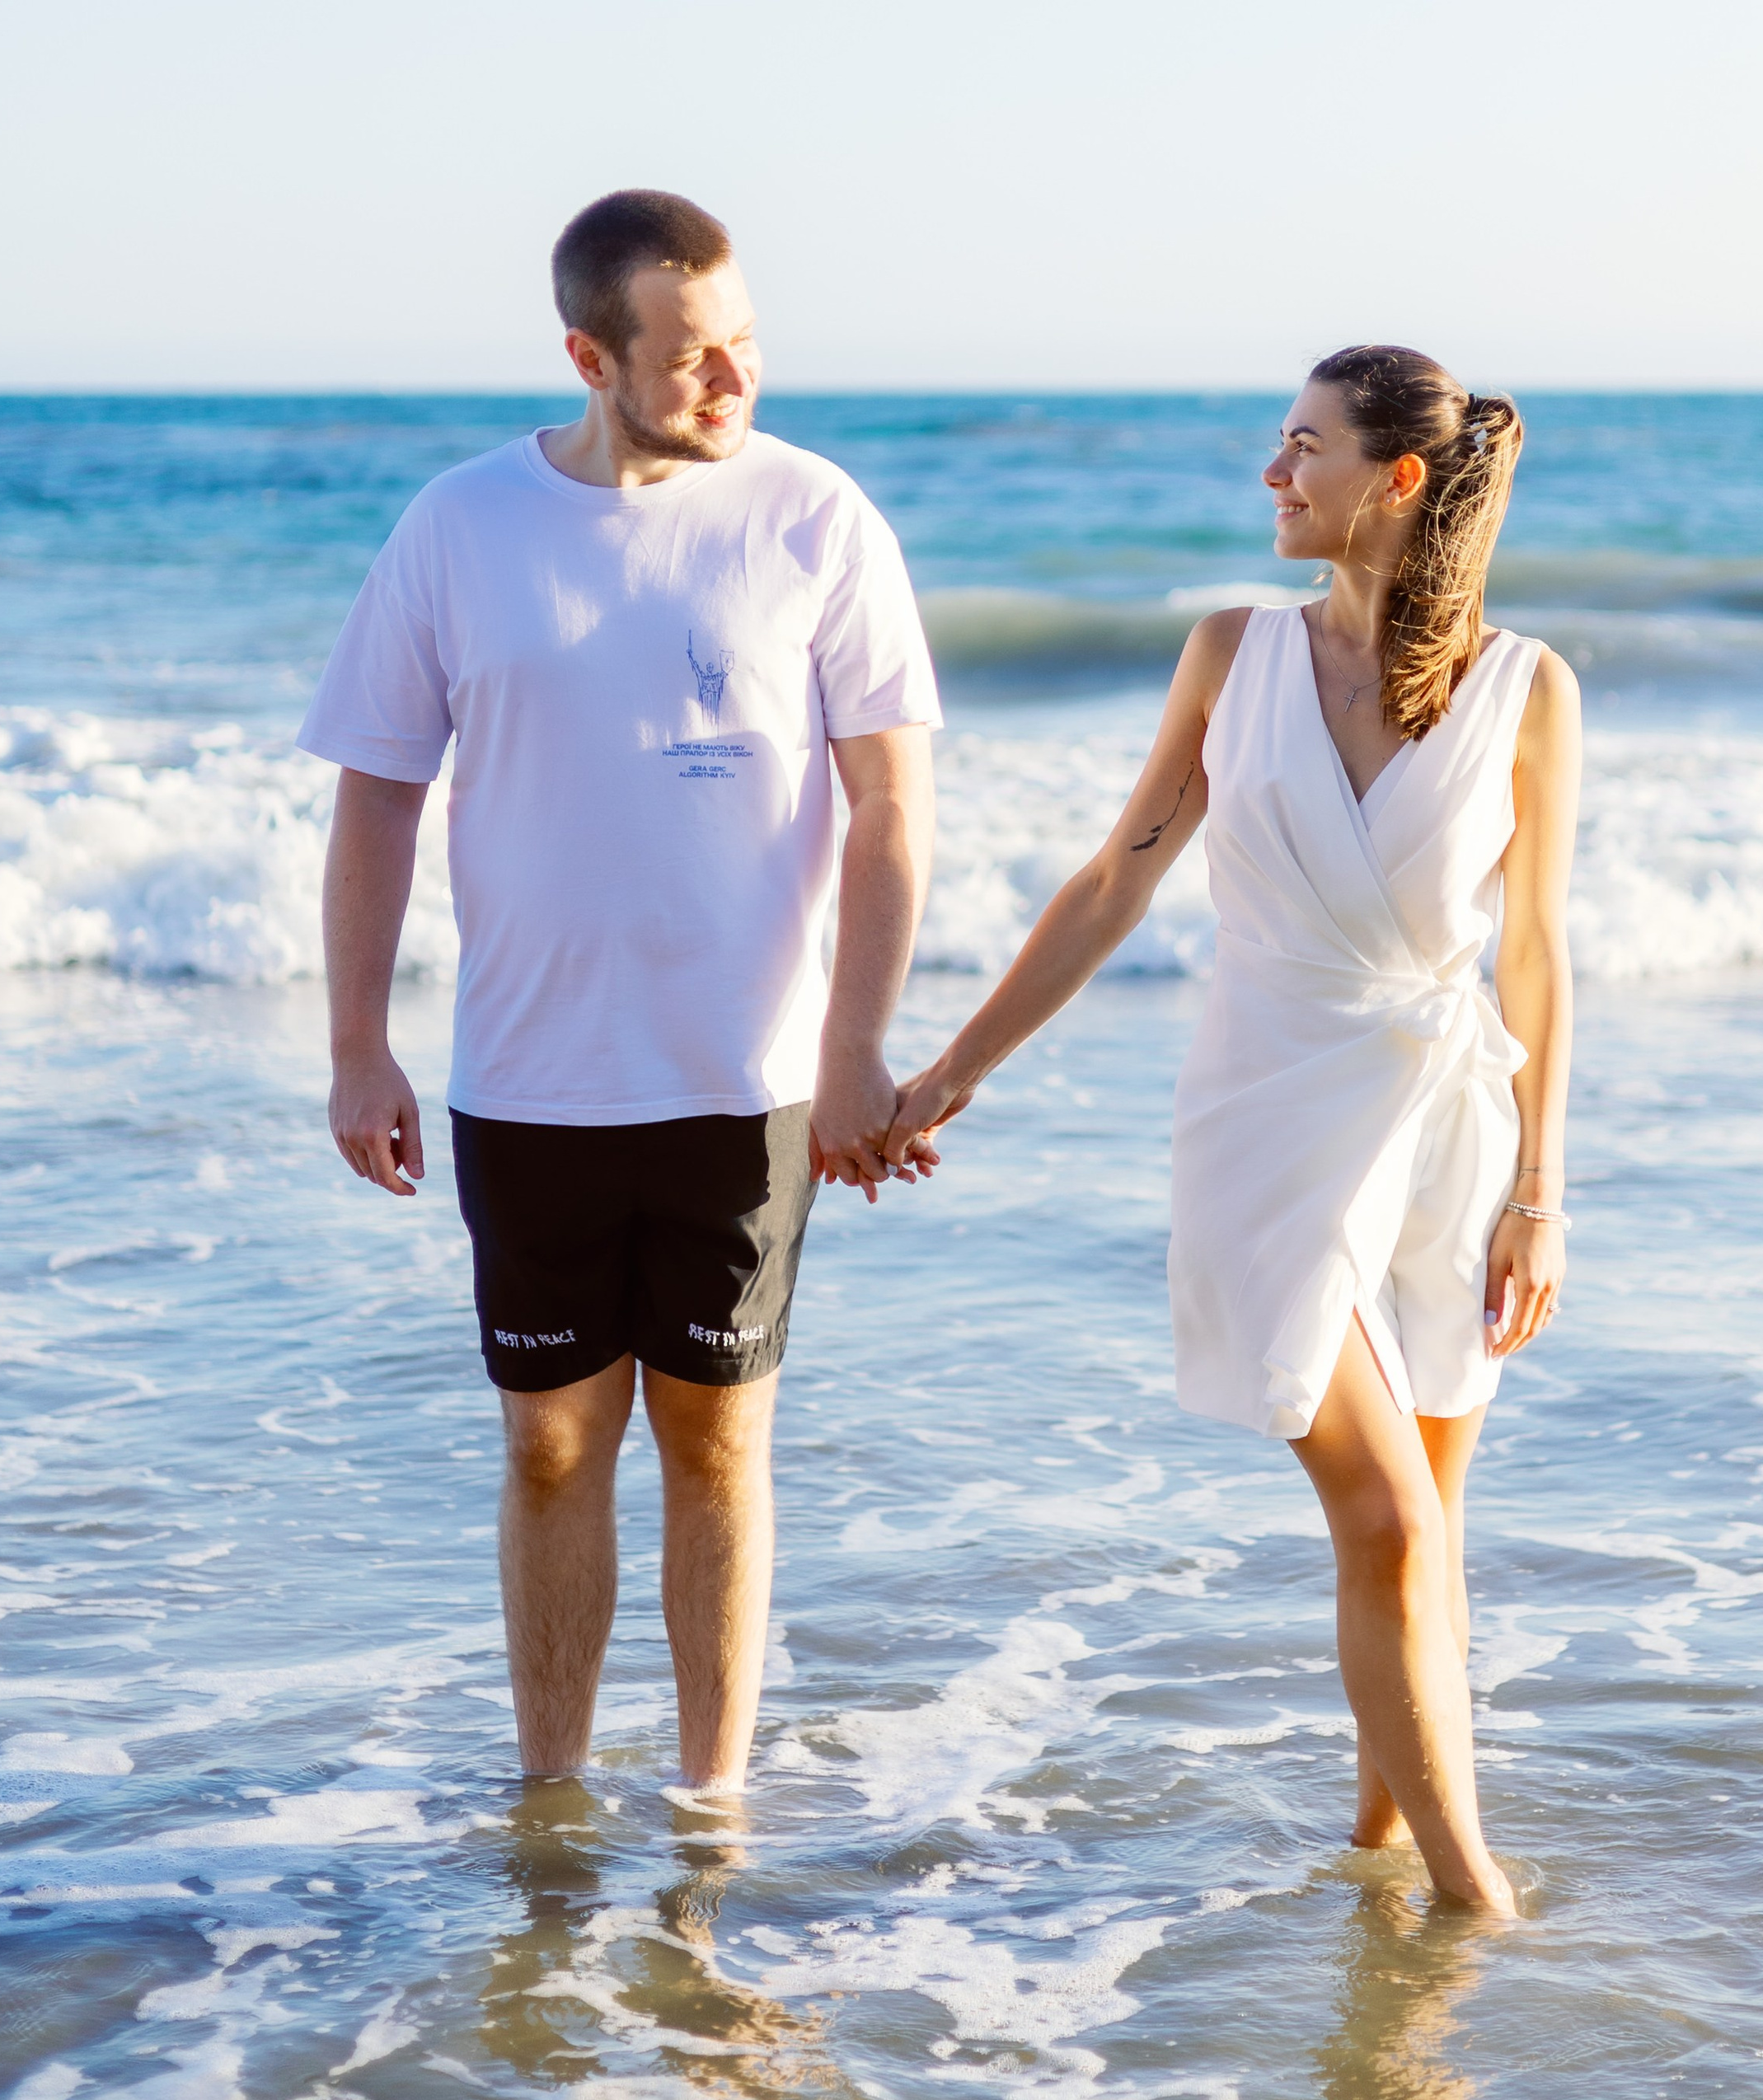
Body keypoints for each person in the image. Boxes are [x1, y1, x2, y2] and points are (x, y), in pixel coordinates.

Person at [886, 348, 1579, 1915]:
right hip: (1266, 1126)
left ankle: (1378, 1872)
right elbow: (1116, 879)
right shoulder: (1232, 653)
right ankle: (1483, 1908)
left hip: (1446, 1135)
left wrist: (1543, 1189)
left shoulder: (1528, 688)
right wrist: (953, 1070)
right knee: (1387, 1517)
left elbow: (1534, 952)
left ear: (1399, 482)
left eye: (1302, 449)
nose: (1274, 477)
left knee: (1427, 1540)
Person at [299, 190, 940, 1794]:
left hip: (745, 1082)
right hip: (527, 1081)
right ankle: (552, 1803)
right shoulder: (459, 527)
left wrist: (857, 1044)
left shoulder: (817, 516)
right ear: (588, 356)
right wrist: (353, 1046)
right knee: (550, 1447)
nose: (735, 383)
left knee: (718, 1449)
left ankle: (711, 1809)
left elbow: (892, 810)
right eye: (692, 357)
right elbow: (376, 791)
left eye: (745, 345)